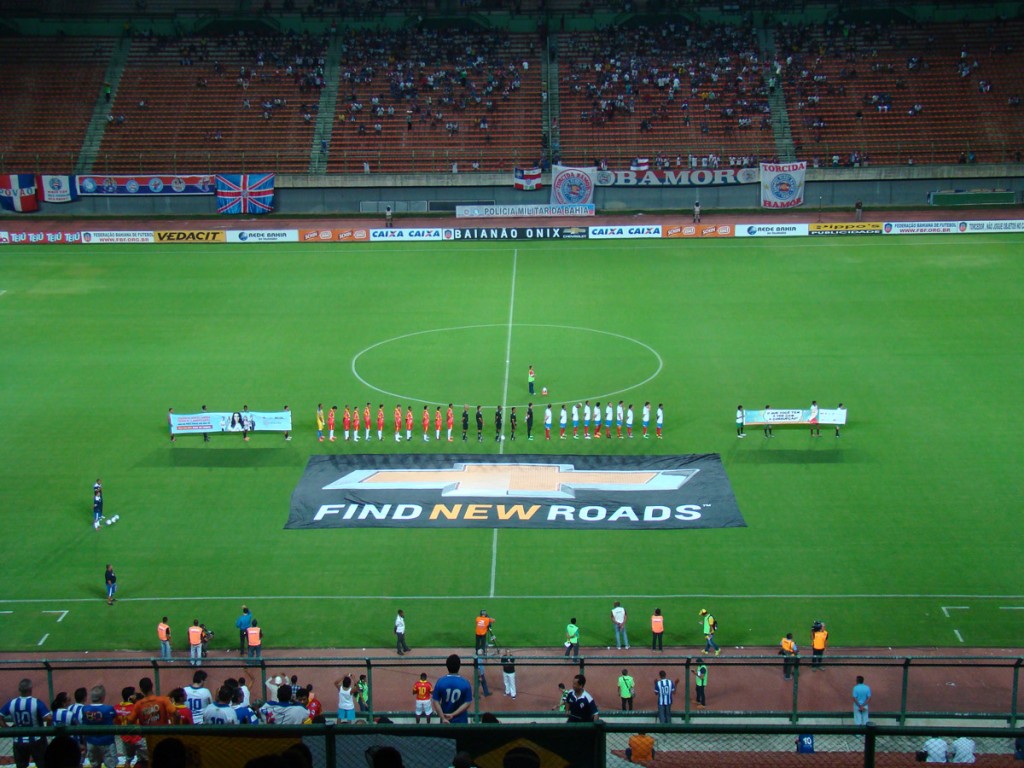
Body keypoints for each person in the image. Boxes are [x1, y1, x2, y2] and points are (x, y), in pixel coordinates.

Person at [0, 679, 52, 768]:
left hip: (18, 741)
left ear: (19, 689)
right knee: (43, 764)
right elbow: (48, 717)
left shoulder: (12, 702)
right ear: (30, 689)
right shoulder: (36, 702)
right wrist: (46, 729)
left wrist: (6, 728)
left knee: (21, 766)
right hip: (37, 740)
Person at [80, 685, 118, 768]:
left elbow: (83, 724)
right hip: (107, 742)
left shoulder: (85, 709)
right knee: (111, 766)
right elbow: (115, 721)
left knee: (95, 766)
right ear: (102, 697)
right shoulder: (109, 709)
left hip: (91, 743)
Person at [432, 653, 473, 724]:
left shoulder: (440, 681)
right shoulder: (465, 683)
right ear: (459, 666)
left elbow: (436, 701)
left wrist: (443, 718)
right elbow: (467, 703)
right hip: (461, 721)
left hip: (445, 721)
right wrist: (453, 714)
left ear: (447, 665)